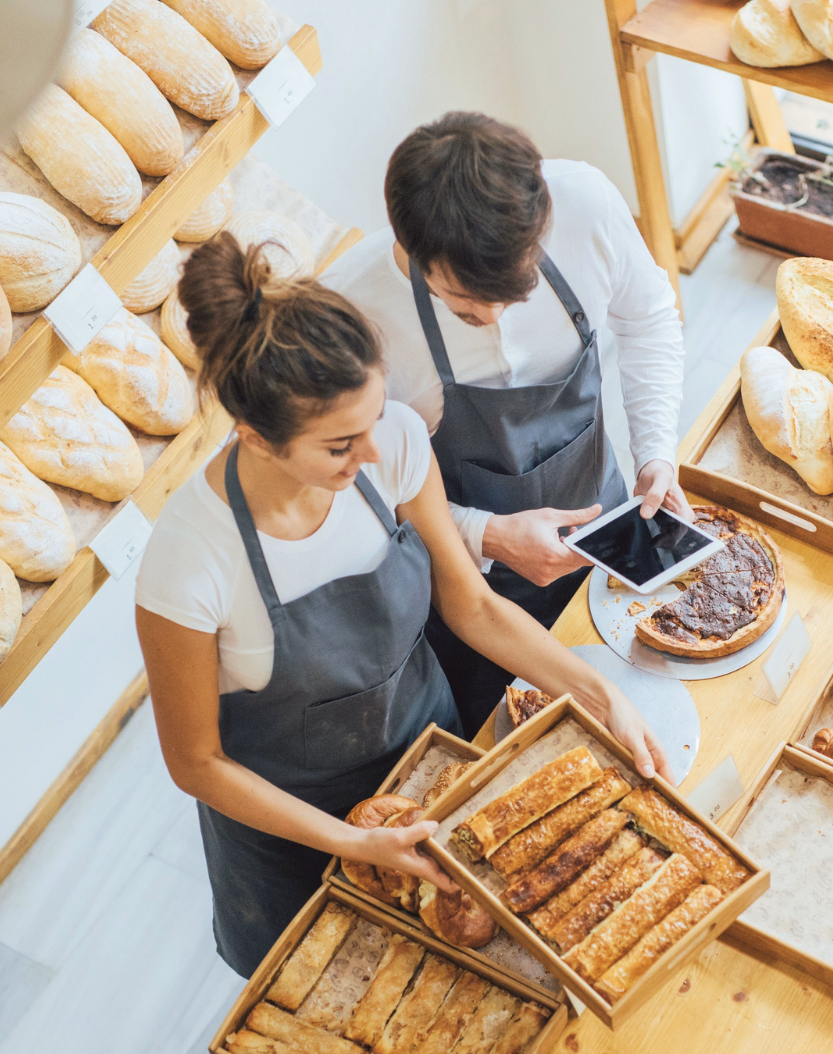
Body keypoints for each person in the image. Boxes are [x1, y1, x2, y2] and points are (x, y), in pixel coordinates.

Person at [134, 235, 666, 977]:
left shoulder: (396, 444)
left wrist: (599, 694)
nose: (374, 456)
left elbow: (472, 608)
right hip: (295, 841)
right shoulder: (189, 563)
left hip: (431, 772)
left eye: (376, 419)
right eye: (340, 446)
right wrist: (352, 843)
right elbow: (196, 762)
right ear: (253, 436)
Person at [321, 111, 688, 726]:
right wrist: (484, 534)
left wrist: (656, 450)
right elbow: (356, 496)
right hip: (469, 591)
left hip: (608, 531)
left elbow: (648, 319)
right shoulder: (352, 317)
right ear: (411, 249)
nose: (492, 317)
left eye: (512, 295)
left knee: (646, 700)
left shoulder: (585, 205)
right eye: (465, 302)